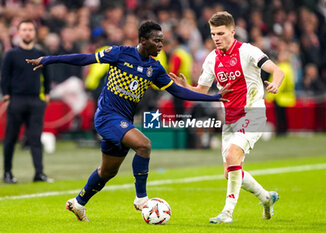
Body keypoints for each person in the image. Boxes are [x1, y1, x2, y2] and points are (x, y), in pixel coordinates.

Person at [26, 21, 230, 221]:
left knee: (107, 172)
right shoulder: (119, 53)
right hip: (107, 116)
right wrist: (48, 59)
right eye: (156, 41)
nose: (161, 45)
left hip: (123, 120)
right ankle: (141, 199)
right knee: (144, 145)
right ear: (143, 40)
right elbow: (84, 58)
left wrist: (214, 97)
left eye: (162, 41)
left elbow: (177, 91)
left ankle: (78, 203)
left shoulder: (155, 68)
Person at [169, 11, 284, 223]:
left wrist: (275, 83)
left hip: (253, 113)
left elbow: (276, 70)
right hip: (229, 119)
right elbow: (202, 91)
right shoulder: (212, 59)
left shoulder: (248, 51)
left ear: (233, 32)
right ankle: (266, 198)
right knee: (231, 171)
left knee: (232, 156)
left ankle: (227, 213)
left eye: (220, 33)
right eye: (213, 34)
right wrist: (186, 87)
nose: (216, 38)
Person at [1, 19, 52, 184]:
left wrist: (48, 94)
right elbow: (4, 77)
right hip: (16, 100)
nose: (27, 32)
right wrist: (7, 96)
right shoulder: (11, 54)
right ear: (19, 33)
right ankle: (7, 172)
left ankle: (39, 173)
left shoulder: (41, 54)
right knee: (10, 138)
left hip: (35, 101)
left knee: (35, 139)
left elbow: (47, 76)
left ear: (34, 33)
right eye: (24, 30)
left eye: (30, 29)